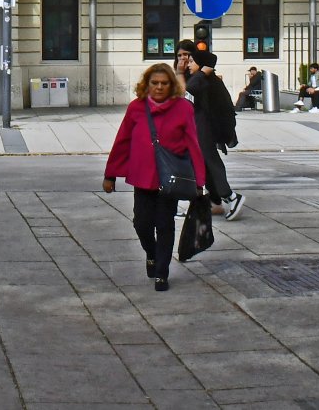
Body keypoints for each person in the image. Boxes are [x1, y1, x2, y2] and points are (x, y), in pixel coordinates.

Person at [102, 62, 205, 292]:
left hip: (170, 179)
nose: (159, 87)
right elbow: (122, 141)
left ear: (171, 86)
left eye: (164, 83)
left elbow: (193, 145)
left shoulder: (183, 108)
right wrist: (110, 174)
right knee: (141, 224)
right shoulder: (136, 108)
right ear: (146, 84)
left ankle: (162, 273)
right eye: (154, 83)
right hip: (142, 177)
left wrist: (199, 181)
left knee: (165, 225)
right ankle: (151, 252)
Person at [179, 47, 244, 220]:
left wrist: (203, 71)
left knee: (210, 161)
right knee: (205, 164)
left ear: (202, 65)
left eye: (192, 61)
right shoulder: (203, 79)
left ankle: (231, 197)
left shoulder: (204, 80)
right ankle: (216, 200)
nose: (188, 64)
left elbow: (187, 92)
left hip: (204, 128)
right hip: (200, 127)